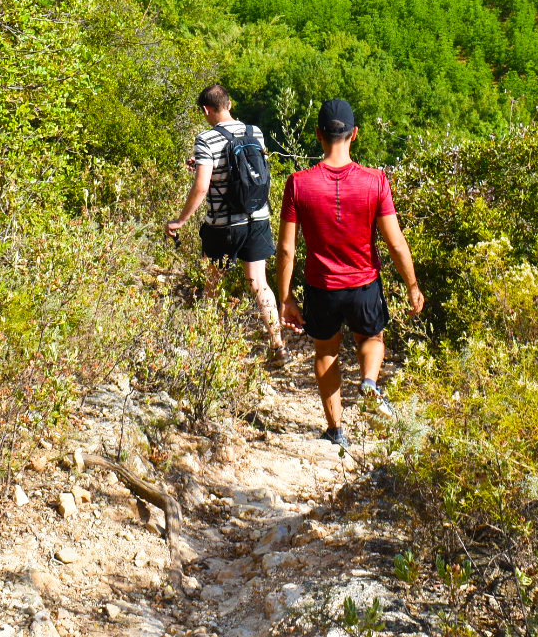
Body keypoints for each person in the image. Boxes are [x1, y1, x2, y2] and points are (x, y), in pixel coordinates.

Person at [277, 98, 424, 446]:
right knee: (371, 339)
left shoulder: (298, 184)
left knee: (326, 352)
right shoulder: (376, 181)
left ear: (318, 135)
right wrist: (412, 285)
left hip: (321, 287)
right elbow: (397, 243)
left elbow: (286, 249)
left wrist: (285, 297)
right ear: (354, 134)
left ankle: (336, 430)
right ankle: (370, 382)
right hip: (364, 285)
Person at [165, 84, 286, 358]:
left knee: (213, 282)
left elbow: (202, 187)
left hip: (223, 225)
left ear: (206, 109)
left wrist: (181, 221)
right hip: (257, 218)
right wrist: (204, 162)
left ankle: (209, 348)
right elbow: (251, 169)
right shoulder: (255, 132)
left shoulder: (206, 139)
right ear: (229, 104)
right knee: (259, 282)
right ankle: (278, 345)